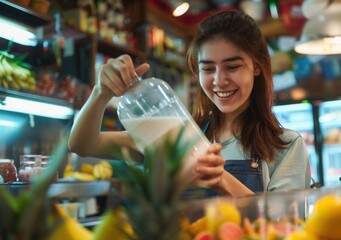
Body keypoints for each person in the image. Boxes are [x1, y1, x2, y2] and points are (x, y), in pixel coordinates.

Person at [68, 10, 311, 197]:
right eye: (207, 68)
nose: (219, 81)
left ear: (256, 66)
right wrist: (100, 93)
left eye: (233, 66)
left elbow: (285, 223)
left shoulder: (285, 146)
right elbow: (82, 143)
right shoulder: (174, 135)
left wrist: (221, 180)